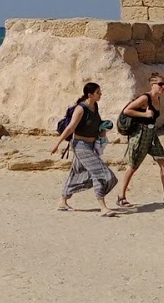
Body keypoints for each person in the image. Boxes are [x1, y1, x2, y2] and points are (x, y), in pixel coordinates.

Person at [116, 73, 164, 207]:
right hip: (140, 134)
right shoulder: (145, 98)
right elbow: (126, 111)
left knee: (163, 161)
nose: (163, 87)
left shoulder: (157, 99)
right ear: (152, 84)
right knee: (133, 165)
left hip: (151, 134)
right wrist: (144, 114)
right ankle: (121, 196)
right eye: (160, 84)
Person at [51, 82, 119, 216]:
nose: (101, 95)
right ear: (90, 94)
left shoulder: (95, 106)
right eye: (98, 92)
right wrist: (57, 144)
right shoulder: (80, 109)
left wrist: (103, 129)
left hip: (91, 145)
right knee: (101, 173)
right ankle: (103, 208)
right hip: (80, 146)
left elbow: (95, 123)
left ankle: (62, 201)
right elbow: (70, 127)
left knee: (76, 172)